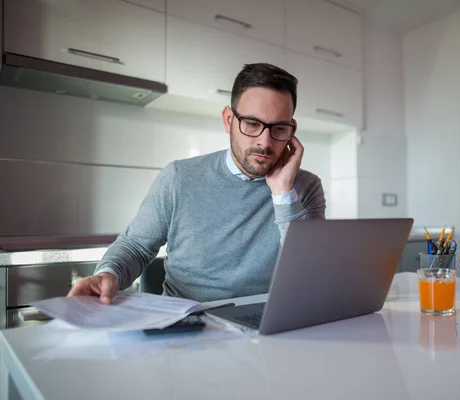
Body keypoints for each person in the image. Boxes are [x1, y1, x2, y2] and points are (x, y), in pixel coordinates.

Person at [68, 63, 326, 304]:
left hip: (265, 322)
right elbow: (135, 246)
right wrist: (108, 274)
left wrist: (283, 193)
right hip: (188, 323)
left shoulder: (305, 188)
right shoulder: (179, 177)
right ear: (228, 120)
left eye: (279, 128)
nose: (265, 142)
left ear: (292, 129)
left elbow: (312, 275)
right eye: (252, 123)